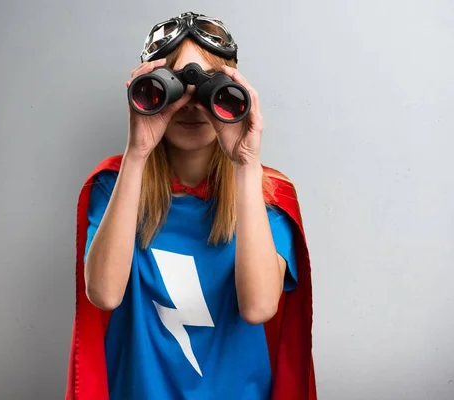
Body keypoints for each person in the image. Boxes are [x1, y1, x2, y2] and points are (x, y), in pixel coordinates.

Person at [65, 12, 317, 400]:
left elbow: (259, 307)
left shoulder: (268, 195)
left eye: (207, 88)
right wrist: (137, 152)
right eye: (175, 85)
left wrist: (246, 165)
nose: (192, 105)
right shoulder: (114, 187)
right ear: (151, 88)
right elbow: (103, 294)